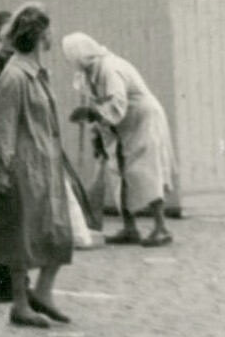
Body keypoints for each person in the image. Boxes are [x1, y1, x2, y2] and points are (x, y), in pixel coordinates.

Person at [0, 2, 74, 329]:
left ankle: (43, 293)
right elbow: (2, 125)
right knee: (21, 235)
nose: (52, 35)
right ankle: (20, 304)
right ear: (39, 34)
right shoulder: (15, 76)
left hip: (45, 164)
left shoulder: (36, 72)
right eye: (48, 30)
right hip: (24, 166)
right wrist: (2, 169)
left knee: (58, 232)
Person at [60, 32, 177, 246]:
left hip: (142, 118)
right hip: (120, 123)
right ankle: (130, 227)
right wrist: (97, 132)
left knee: (146, 168)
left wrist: (92, 114)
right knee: (117, 170)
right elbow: (102, 105)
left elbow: (117, 103)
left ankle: (161, 227)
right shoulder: (89, 73)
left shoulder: (110, 68)